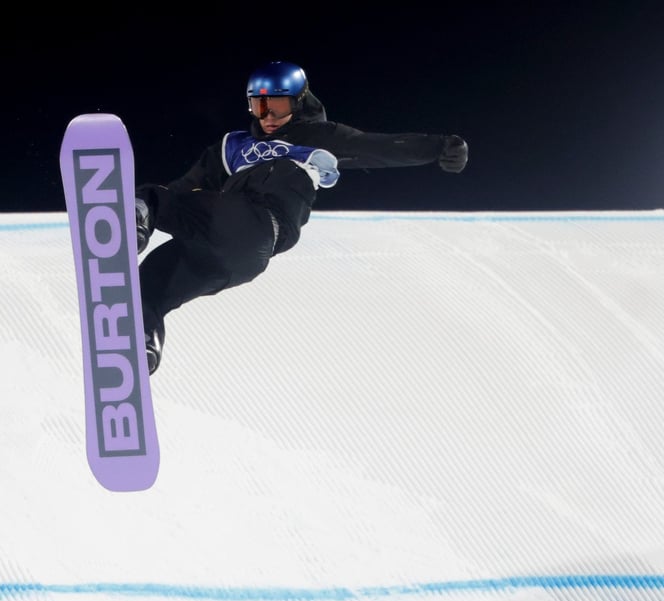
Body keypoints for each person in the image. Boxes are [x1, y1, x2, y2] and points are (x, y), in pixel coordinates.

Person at [134, 60, 468, 374]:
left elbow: (378, 148)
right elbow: (181, 190)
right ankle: (142, 339)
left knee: (154, 197)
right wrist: (156, 205)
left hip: (258, 223)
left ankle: (136, 214)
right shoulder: (231, 147)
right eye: (258, 106)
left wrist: (439, 148)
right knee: (150, 278)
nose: (267, 116)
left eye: (276, 106)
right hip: (231, 254)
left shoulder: (318, 137)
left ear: (299, 102)